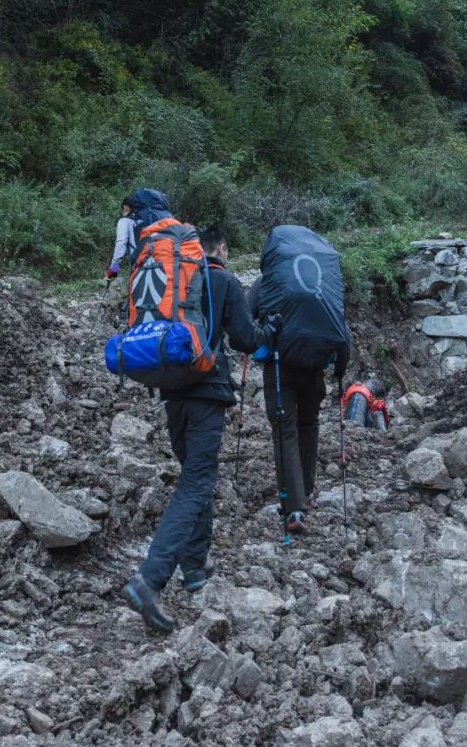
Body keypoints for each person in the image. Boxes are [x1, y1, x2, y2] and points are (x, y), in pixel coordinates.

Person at [124, 224, 279, 633]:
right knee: (195, 483)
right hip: (208, 394)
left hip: (173, 392)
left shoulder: (184, 278)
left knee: (196, 476)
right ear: (222, 249)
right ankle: (150, 579)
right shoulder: (223, 279)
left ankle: (196, 565)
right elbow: (247, 340)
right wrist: (270, 330)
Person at [248, 233, 350, 536]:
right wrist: (340, 370)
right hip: (315, 366)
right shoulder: (325, 282)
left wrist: (255, 338)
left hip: (280, 365)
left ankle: (293, 507)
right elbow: (341, 325)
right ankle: (306, 491)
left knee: (285, 429)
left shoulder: (268, 281)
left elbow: (247, 313)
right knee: (309, 424)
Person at [105, 196, 136, 285]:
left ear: (125, 207)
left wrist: (112, 273)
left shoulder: (125, 221)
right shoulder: (142, 220)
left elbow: (120, 247)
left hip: (139, 261)